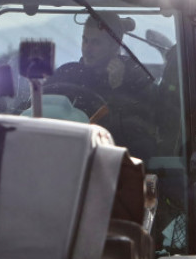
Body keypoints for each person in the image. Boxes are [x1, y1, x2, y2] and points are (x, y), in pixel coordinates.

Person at [47, 12, 157, 157]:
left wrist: (118, 89)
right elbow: (37, 106)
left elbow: (141, 135)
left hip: (113, 159)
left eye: (96, 43)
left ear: (114, 45)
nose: (87, 49)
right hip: (61, 154)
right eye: (85, 40)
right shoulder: (67, 73)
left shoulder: (135, 77)